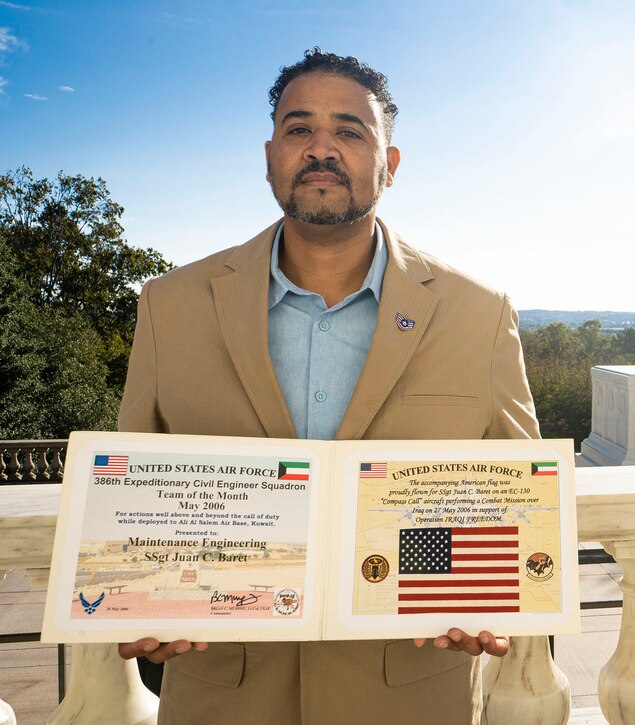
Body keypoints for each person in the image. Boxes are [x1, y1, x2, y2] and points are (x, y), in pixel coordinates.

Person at [114, 47, 540, 725]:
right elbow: (127, 504)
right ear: (269, 156)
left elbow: (519, 510)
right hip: (221, 696)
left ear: (389, 165)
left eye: (349, 130)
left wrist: (492, 600)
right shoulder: (170, 307)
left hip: (408, 697)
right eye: (298, 129)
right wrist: (137, 602)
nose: (321, 148)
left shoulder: (480, 315)